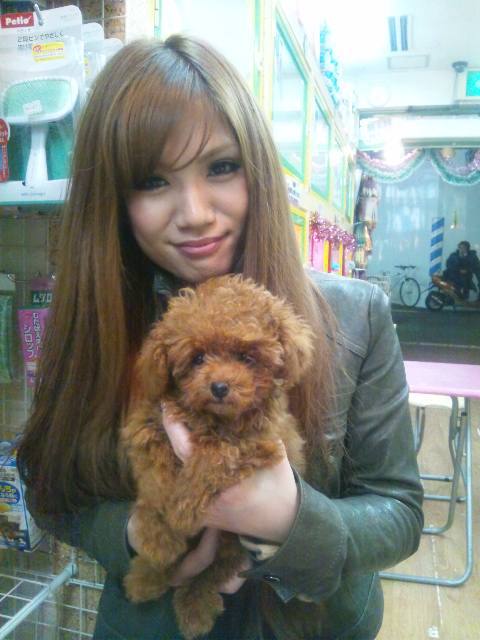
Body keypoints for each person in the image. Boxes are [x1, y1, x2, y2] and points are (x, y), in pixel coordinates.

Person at [17, 35, 423, 640]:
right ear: (115, 200)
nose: (195, 212)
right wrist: (132, 534)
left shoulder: (355, 314)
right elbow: (49, 489)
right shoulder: (98, 320)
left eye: (221, 167)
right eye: (152, 180)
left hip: (315, 624)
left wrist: (293, 520)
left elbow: (399, 509)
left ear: (256, 167)